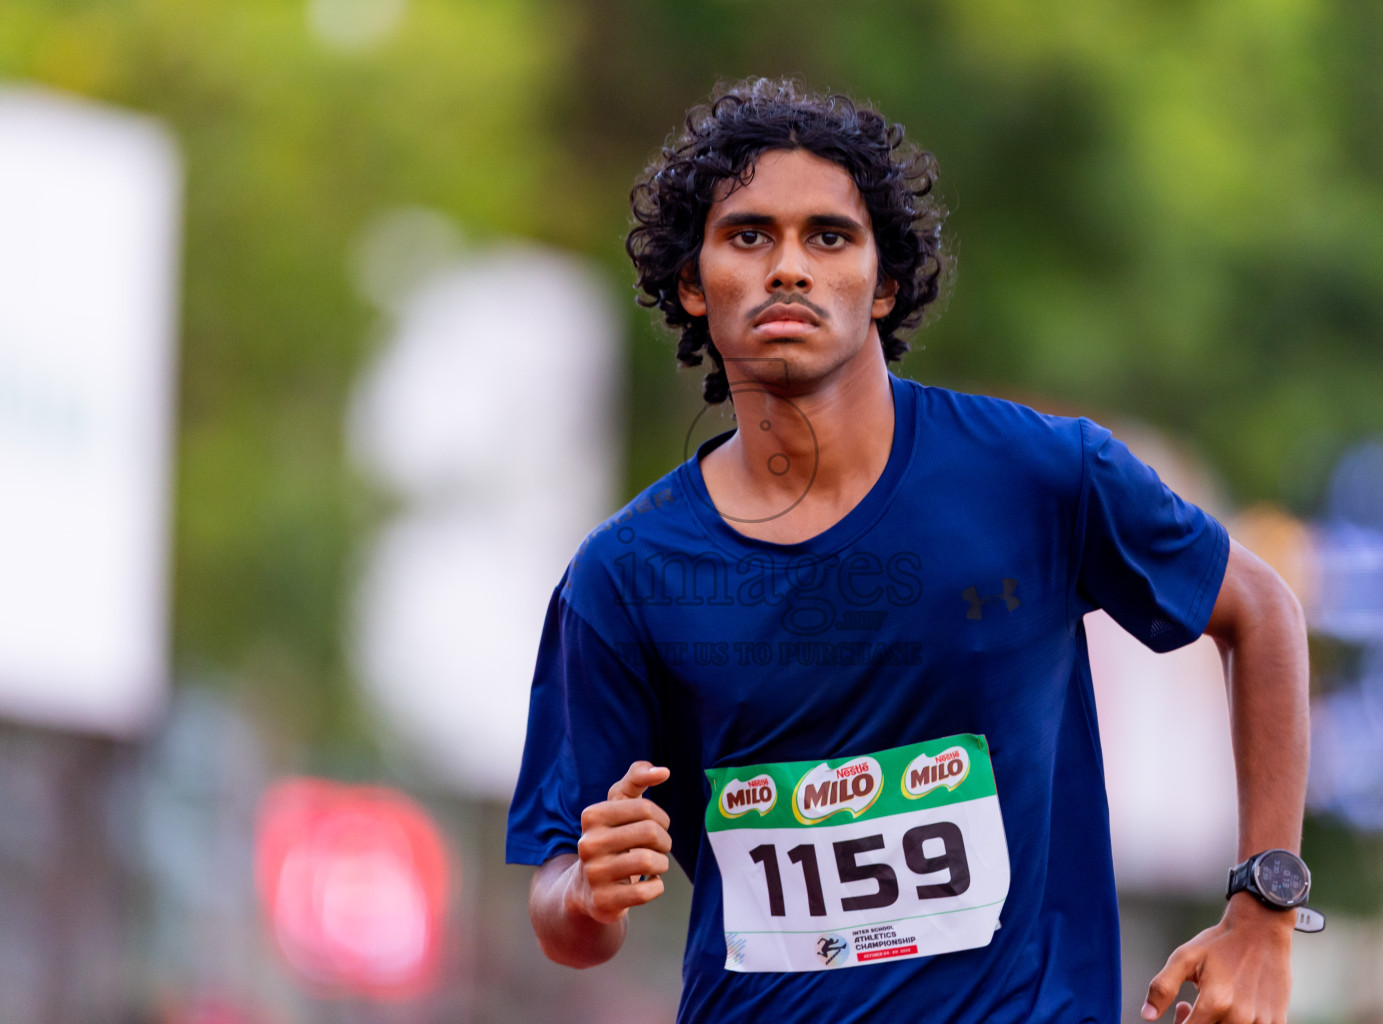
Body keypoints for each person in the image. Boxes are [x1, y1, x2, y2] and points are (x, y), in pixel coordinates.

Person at [505, 78, 1312, 1024]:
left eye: (829, 237)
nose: (789, 268)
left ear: (884, 283)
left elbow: (1260, 610)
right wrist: (590, 889)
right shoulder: (625, 576)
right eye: (749, 236)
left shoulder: (1043, 475)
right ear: (693, 282)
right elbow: (564, 917)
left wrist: (1264, 911)